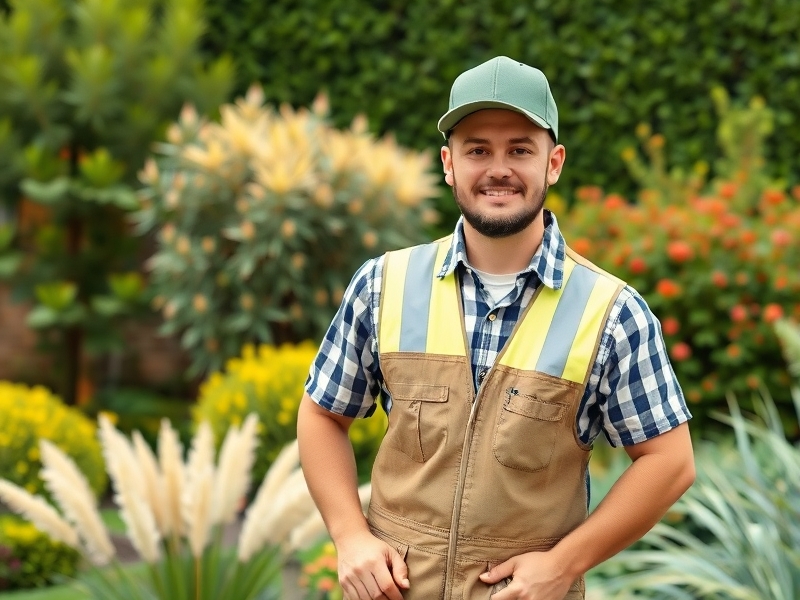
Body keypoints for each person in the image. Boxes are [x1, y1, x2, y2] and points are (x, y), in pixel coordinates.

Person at [297, 56, 695, 600]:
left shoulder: (611, 312)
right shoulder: (383, 284)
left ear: (553, 163)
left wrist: (563, 565)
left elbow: (670, 463)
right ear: (448, 163)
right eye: (477, 149)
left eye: (520, 150)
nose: (498, 168)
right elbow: (322, 413)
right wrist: (349, 536)